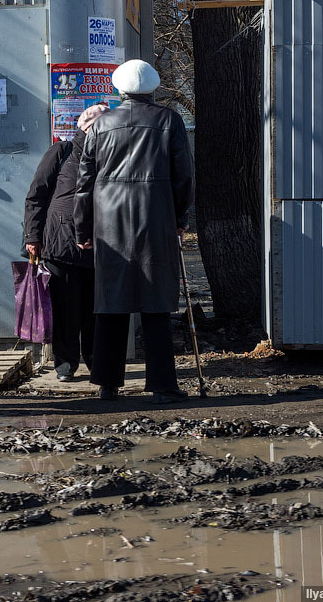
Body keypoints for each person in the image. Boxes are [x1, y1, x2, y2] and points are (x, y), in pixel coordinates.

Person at [73, 60, 195, 404]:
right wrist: (180, 216)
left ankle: (108, 384)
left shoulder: (100, 125)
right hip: (155, 216)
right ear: (152, 87)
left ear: (119, 88)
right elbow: (183, 174)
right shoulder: (168, 120)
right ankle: (162, 385)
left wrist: (82, 227)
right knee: (156, 303)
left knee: (111, 303)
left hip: (108, 222)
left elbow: (84, 183)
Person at [22, 105, 106, 381]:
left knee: (95, 310)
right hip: (61, 244)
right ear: (89, 128)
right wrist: (32, 237)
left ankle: (97, 364)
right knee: (65, 308)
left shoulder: (109, 154)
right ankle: (65, 364)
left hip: (100, 243)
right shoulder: (62, 152)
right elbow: (36, 195)